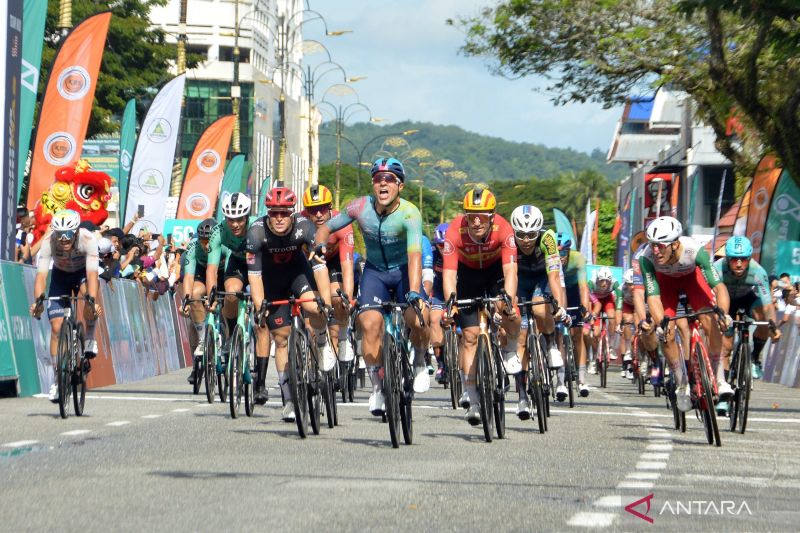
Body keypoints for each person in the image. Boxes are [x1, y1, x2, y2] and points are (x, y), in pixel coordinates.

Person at [314, 157, 430, 417]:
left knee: (419, 317)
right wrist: (320, 244)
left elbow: (414, 255)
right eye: (378, 179)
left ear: (400, 186)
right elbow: (326, 227)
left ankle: (420, 359)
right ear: (373, 184)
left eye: (389, 179)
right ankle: (378, 387)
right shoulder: (359, 207)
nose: (383, 184)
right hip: (375, 272)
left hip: (403, 271)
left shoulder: (410, 213)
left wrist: (414, 290)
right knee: (368, 324)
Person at [246, 187, 335, 420]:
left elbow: (320, 267)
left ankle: (321, 341)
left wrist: (326, 303)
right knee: (281, 338)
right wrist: (260, 307)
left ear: (292, 213)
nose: (279, 218)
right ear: (268, 213)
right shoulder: (256, 232)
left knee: (314, 307)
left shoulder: (306, 227)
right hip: (271, 281)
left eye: (284, 213)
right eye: (274, 213)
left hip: (298, 274)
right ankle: (289, 400)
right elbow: (254, 277)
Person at [638, 216, 732, 412]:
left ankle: (719, 378)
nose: (655, 250)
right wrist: (661, 323)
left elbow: (719, 287)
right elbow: (653, 297)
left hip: (692, 281)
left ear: (675, 244)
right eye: (652, 244)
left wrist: (723, 314)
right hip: (665, 285)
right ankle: (682, 385)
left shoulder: (693, 250)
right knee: (666, 333)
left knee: (710, 320)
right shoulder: (646, 258)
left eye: (660, 246)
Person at [442, 188, 520, 425]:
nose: (476, 221)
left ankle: (510, 349)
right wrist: (450, 304)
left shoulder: (504, 229)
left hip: (495, 272)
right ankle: (472, 397)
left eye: (482, 216)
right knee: (469, 337)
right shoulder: (454, 230)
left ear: (492, 216)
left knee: (510, 309)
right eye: (471, 215)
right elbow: (449, 274)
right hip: (468, 276)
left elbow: (511, 271)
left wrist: (508, 299)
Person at [29, 210, 102, 402]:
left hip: (82, 274)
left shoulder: (88, 240)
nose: (63, 238)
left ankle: (89, 338)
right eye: (60, 233)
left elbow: (92, 275)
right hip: (60, 277)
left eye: (68, 233)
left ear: (76, 231)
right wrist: (38, 301)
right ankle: (57, 380)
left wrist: (92, 301)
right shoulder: (49, 242)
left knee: (89, 298)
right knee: (56, 327)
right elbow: (41, 276)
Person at [510, 204, 569, 415]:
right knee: (521, 335)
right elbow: (507, 277)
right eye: (521, 235)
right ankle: (522, 397)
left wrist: (559, 306)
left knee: (539, 307)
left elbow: (554, 276)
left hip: (543, 277)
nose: (526, 240)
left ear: (539, 231)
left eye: (531, 235)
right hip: (520, 280)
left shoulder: (548, 238)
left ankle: (551, 343)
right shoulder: (509, 241)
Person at [715, 237, 781, 388]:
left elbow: (767, 303)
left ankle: (755, 357)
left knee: (763, 318)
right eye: (734, 259)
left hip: (747, 298)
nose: (739, 264)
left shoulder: (758, 271)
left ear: (750, 258)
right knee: (726, 347)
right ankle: (723, 386)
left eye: (744, 259)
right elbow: (711, 298)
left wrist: (773, 326)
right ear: (727, 258)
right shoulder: (717, 269)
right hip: (725, 301)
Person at [301, 185, 355, 365]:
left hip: (334, 263)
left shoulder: (341, 224)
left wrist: (347, 298)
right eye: (312, 210)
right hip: (310, 264)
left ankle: (343, 336)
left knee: (338, 298)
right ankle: (320, 342)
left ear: (330, 207)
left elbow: (347, 266)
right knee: (314, 309)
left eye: (322, 208)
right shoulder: (300, 222)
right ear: (305, 211)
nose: (318, 214)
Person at [205, 193, 252, 355]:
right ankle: (231, 334)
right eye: (230, 220)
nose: (235, 224)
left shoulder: (257, 226)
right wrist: (211, 296)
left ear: (247, 216)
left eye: (239, 219)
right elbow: (211, 269)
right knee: (231, 293)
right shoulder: (218, 232)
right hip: (238, 263)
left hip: (259, 264)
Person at [180, 218, 219, 385]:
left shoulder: (223, 245)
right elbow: (188, 278)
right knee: (194, 298)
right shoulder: (192, 248)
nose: (206, 245)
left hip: (223, 273)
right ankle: (197, 362)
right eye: (203, 240)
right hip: (202, 274)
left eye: (209, 240)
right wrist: (186, 301)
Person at [557, 233, 592, 393]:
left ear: (569, 251)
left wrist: (585, 309)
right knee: (559, 336)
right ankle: (559, 381)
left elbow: (583, 288)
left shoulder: (578, 259)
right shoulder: (549, 259)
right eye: (557, 252)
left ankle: (582, 379)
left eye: (564, 252)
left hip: (573, 292)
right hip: (557, 291)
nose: (560, 256)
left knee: (577, 335)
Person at [588, 266, 624, 375]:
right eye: (602, 281)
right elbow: (587, 299)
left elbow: (619, 301)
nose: (604, 284)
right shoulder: (591, 282)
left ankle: (611, 346)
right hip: (595, 301)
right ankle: (593, 358)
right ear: (597, 279)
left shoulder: (615, 283)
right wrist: (590, 317)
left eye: (607, 281)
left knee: (612, 317)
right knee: (595, 333)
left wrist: (618, 322)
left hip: (608, 300)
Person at [428, 223, 449, 384]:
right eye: (440, 245)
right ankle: (441, 364)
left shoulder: (460, 251)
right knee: (434, 319)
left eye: (446, 245)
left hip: (460, 291)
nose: (443, 249)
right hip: (439, 293)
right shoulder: (433, 253)